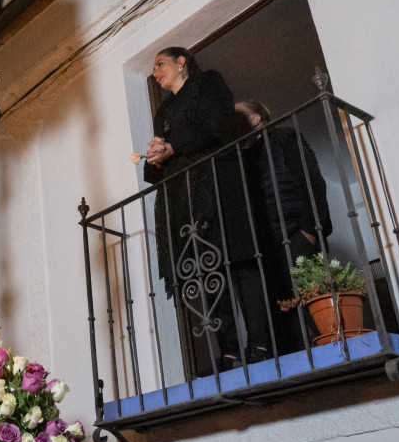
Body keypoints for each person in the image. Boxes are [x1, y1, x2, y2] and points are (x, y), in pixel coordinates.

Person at [137, 47, 265, 373]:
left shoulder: (209, 83)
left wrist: (173, 146)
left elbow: (217, 124)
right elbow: (162, 162)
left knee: (238, 264)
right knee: (205, 272)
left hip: (217, 186)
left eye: (160, 63)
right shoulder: (163, 110)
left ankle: (261, 344)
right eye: (152, 68)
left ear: (182, 63)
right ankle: (230, 350)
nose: (155, 72)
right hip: (184, 201)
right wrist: (155, 158)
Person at [237, 99, 332, 351]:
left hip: (297, 235)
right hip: (268, 247)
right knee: (285, 319)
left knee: (316, 308)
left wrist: (310, 232)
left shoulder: (284, 139)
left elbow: (312, 183)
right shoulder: (242, 159)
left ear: (255, 118)